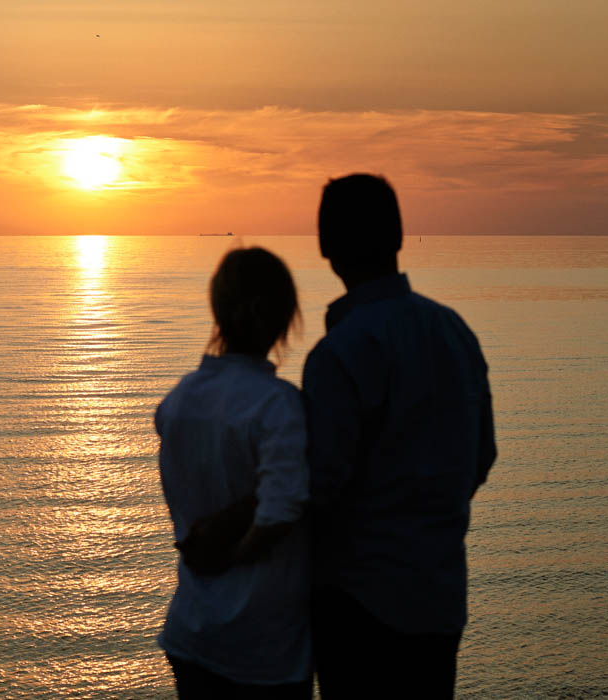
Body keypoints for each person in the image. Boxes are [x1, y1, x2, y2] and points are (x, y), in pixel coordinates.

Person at [301, 174, 496, 699]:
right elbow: (482, 456)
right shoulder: (454, 331)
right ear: (399, 236)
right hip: (439, 597)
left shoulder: (339, 353)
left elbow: (320, 488)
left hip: (357, 606)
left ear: (324, 245)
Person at [154, 247, 312, 699]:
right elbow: (281, 511)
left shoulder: (178, 401)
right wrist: (233, 554)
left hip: (191, 629)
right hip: (261, 648)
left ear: (217, 311)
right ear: (285, 318)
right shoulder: (278, 405)